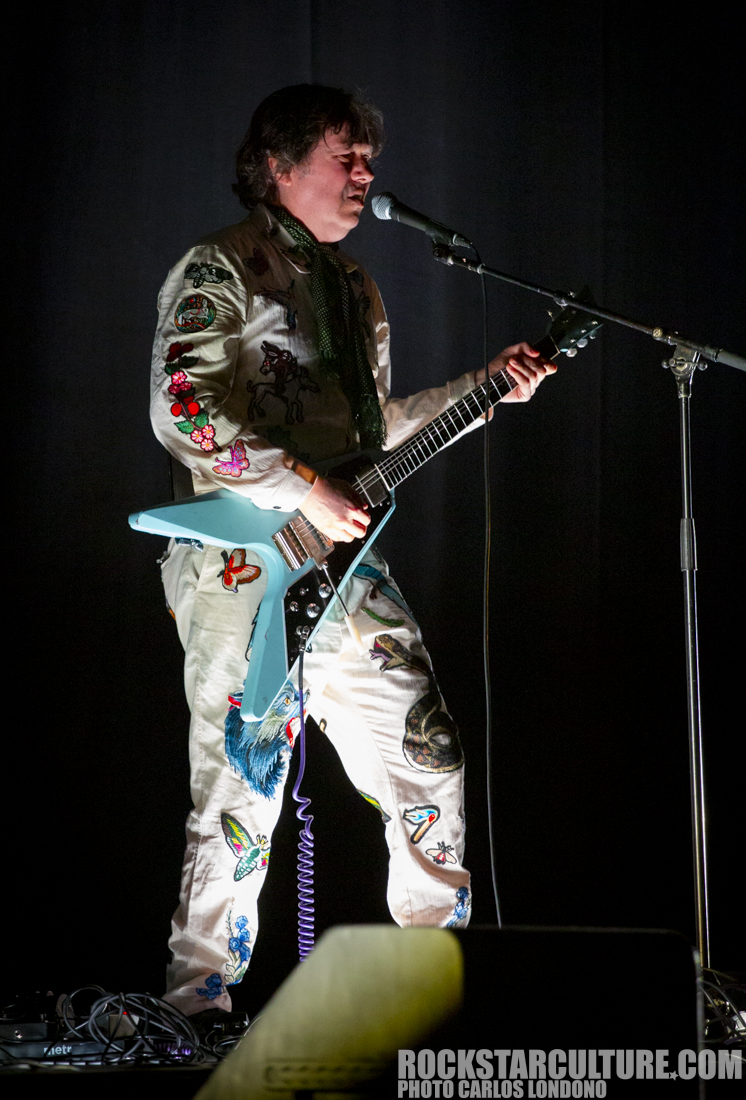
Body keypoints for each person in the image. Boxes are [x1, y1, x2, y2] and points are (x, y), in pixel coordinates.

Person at [150, 84, 555, 1017]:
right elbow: (181, 412)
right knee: (241, 782)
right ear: (280, 166)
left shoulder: (354, 286)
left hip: (340, 559)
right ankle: (195, 1009)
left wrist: (482, 388)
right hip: (240, 555)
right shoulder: (222, 268)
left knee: (429, 751)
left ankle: (425, 992)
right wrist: (299, 485)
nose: (365, 173)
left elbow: (372, 444)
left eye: (368, 156)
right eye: (346, 155)